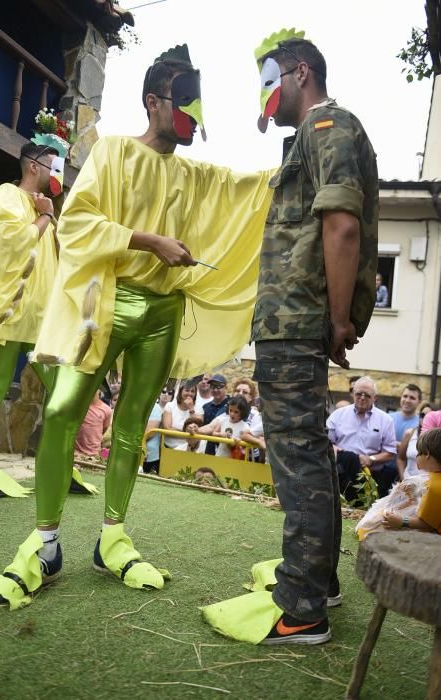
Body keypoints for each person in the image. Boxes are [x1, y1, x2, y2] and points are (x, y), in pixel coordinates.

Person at [0, 43, 273, 609]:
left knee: (133, 425)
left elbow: (244, 190)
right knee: (63, 410)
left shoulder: (193, 171)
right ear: (153, 103)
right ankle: (44, 543)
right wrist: (148, 241)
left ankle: (113, 536)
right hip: (103, 301)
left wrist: (295, 164)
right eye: (184, 102)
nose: (193, 117)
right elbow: (81, 222)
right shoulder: (112, 152)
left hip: (163, 314)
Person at [202, 30, 378, 646]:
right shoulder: (310, 135)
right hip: (298, 321)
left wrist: (335, 319)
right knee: (310, 456)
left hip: (297, 322)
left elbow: (342, 227)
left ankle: (301, 606)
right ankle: (318, 581)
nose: (266, 91)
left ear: (300, 72)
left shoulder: (330, 126)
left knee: (297, 462)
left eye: (272, 78)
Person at [0, 141, 63, 498]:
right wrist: (43, 216)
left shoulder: (45, 207)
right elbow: (10, 241)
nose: (56, 174)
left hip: (39, 317)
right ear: (33, 166)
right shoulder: (8, 194)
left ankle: (59, 464)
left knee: (61, 387)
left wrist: (49, 216)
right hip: (11, 311)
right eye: (52, 166)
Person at [327, 377, 397, 501]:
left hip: (370, 476)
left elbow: (390, 453)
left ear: (375, 397)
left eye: (367, 395)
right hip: (340, 472)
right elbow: (327, 443)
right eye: (359, 394)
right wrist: (340, 452)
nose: (362, 397)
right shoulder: (338, 415)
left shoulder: (386, 420)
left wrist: (371, 459)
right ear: (353, 394)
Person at [382, 428, 441, 534]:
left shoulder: (433, 486)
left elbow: (427, 524)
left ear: (427, 454)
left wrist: (401, 521)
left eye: (418, 453)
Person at [162, 382, 200, 449]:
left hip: (188, 449)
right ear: (181, 391)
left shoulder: (199, 408)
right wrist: (187, 434)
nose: (190, 393)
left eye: (192, 391)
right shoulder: (170, 405)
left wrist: (191, 410)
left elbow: (196, 430)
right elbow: (167, 428)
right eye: (187, 390)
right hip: (169, 448)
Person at [75, 390, 112, 457]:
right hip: (76, 452)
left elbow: (104, 428)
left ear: (100, 391)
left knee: (107, 455)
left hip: (95, 452)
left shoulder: (107, 410)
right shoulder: (78, 406)